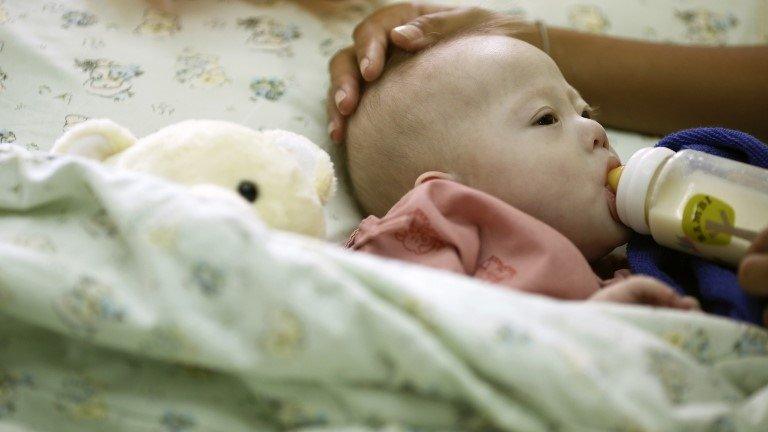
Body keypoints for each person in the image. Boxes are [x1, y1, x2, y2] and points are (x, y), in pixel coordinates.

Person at [329, 3, 768, 315]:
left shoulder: (636, 265)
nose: (596, 131)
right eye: (545, 119)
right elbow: (413, 324)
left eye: (585, 112)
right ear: (448, 190)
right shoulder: (430, 229)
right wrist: (591, 325)